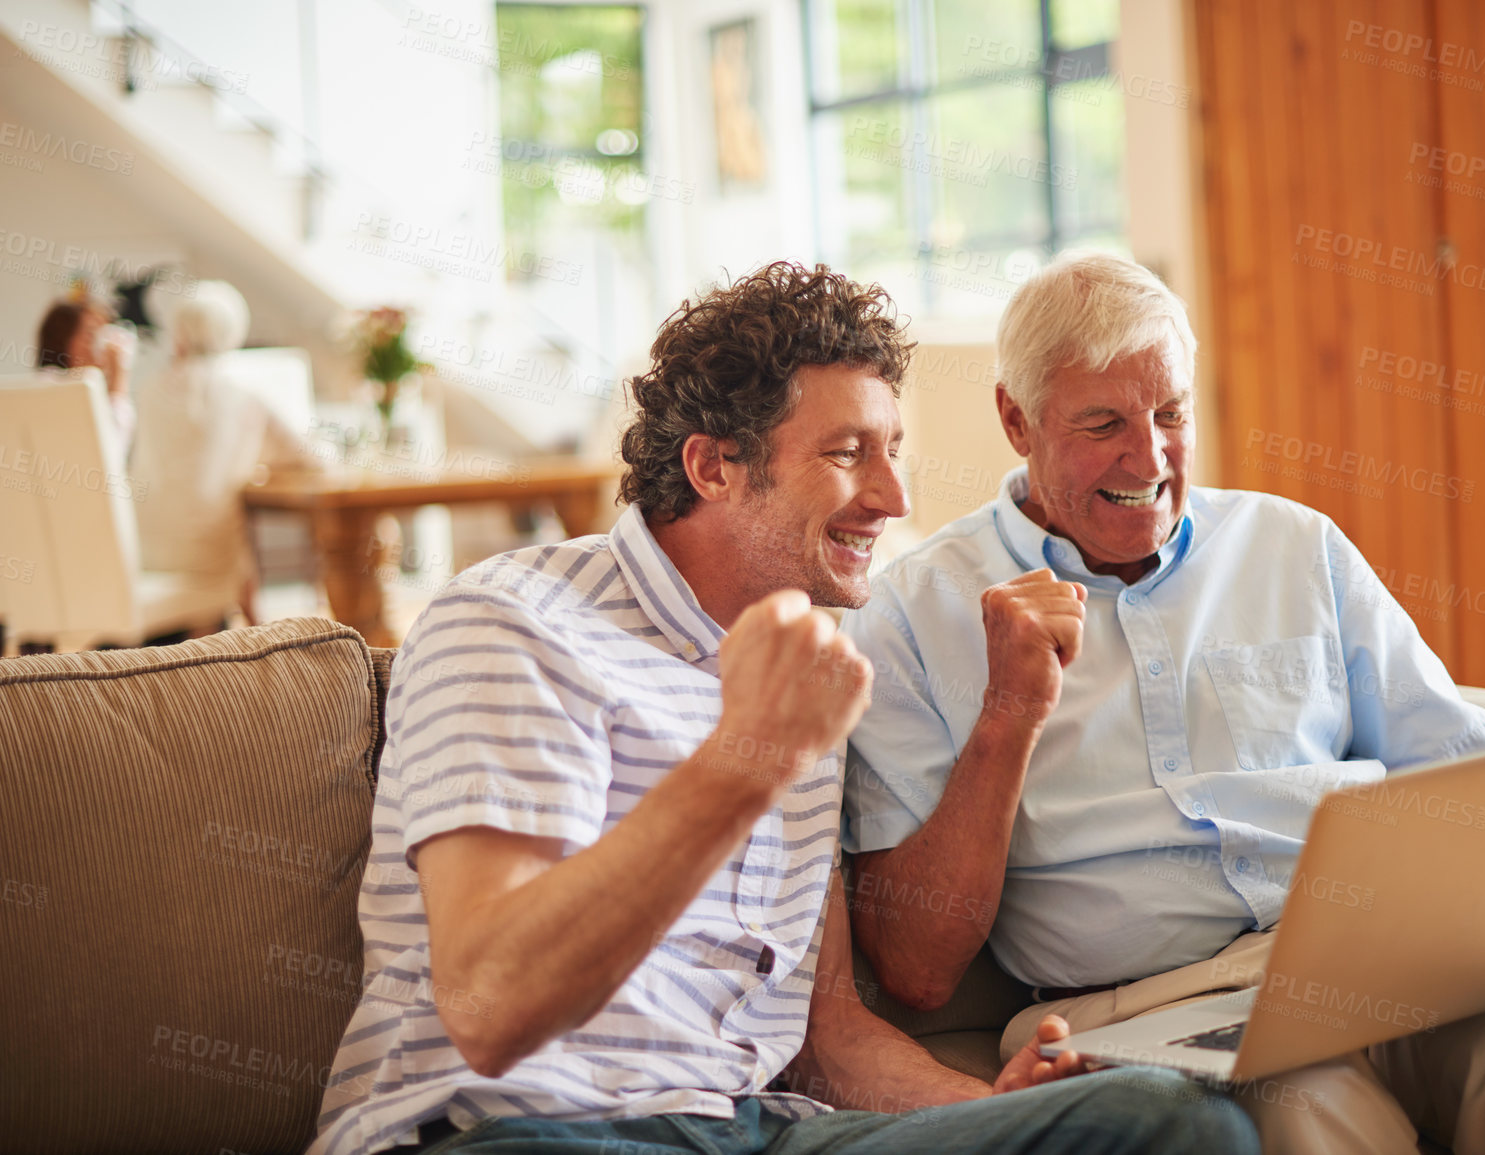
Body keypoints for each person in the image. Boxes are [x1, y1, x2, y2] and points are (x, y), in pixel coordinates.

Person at [308, 262, 1258, 1155]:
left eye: (893, 452)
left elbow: (830, 1042)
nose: (891, 496)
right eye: (848, 454)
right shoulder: (516, 625)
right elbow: (491, 1007)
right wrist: (747, 757)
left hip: (756, 1127)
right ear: (715, 465)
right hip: (525, 1131)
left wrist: (998, 1110)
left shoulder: (816, 668)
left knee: (1168, 1122)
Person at [839, 251, 1485, 1154]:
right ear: (1015, 419)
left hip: (1382, 958)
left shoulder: (1294, 547)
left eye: (1170, 413)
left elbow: (1467, 776)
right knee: (1318, 1108)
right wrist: (1007, 714)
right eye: (1102, 423)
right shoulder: (910, 613)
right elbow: (915, 969)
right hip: (1145, 1005)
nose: (1149, 456)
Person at [127, 280, 319, 628]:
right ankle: (257, 636)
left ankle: (253, 629)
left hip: (145, 554)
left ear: (178, 331)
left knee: (222, 529)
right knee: (230, 534)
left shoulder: (147, 391)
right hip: (206, 564)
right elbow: (309, 458)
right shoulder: (240, 394)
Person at [36, 292, 136, 452]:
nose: (100, 343)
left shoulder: (94, 388)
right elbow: (110, 447)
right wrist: (118, 377)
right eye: (91, 334)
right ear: (63, 340)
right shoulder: (48, 386)